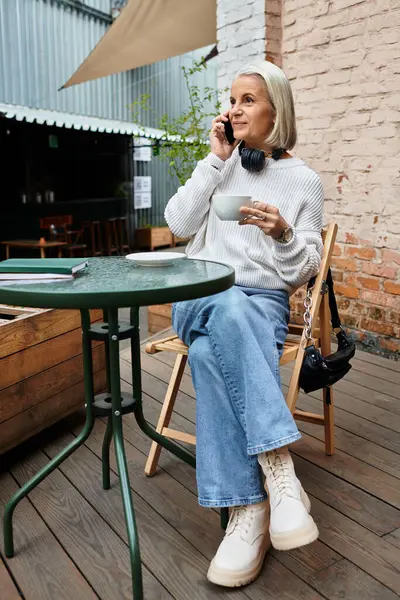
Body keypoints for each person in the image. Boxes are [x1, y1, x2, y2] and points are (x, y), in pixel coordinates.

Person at [164, 60, 324, 588]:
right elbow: (179, 225)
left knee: (211, 353)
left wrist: (282, 233)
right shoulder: (219, 165)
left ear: (277, 111)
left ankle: (247, 511)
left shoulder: (303, 181)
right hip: (199, 294)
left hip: (262, 304)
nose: (234, 108)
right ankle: (278, 466)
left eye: (248, 99)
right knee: (224, 302)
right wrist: (213, 163)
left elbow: (303, 271)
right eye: (231, 99)